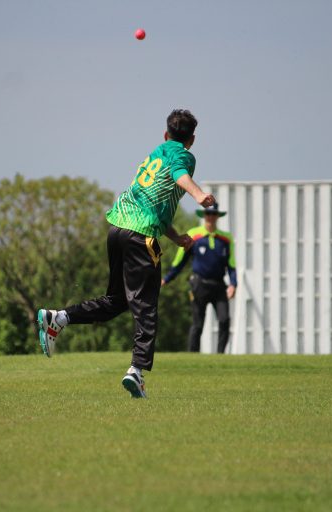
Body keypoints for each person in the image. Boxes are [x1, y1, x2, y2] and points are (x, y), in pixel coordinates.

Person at [36, 109, 215, 398]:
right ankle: (136, 371)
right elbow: (180, 175)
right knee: (146, 307)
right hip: (140, 236)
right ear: (191, 140)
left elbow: (154, 203)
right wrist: (199, 196)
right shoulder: (183, 155)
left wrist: (175, 237)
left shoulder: (155, 153)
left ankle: (58, 318)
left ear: (165, 134)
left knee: (116, 300)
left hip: (118, 230)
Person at [161, 203, 237, 353]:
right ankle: (193, 355)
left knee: (224, 320)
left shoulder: (226, 239)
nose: (211, 217)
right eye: (208, 214)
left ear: (217, 216)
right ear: (204, 215)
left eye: (213, 214)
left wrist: (233, 284)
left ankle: (220, 355)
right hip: (199, 284)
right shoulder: (194, 235)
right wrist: (167, 278)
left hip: (219, 285)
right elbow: (180, 261)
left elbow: (231, 264)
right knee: (198, 324)